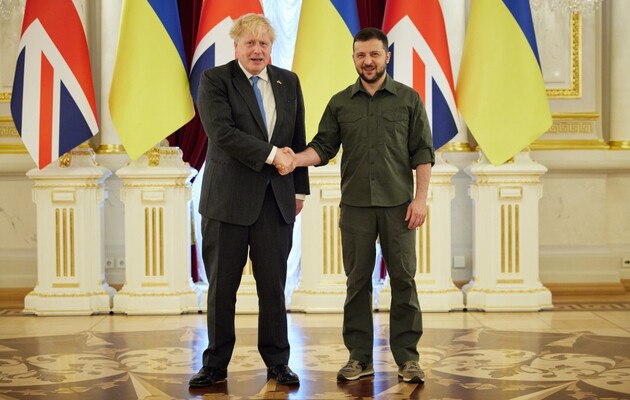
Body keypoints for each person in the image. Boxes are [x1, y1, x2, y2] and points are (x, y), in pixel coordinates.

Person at [279, 27, 434, 384]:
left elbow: (422, 153)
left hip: (399, 207)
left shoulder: (408, 99)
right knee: (357, 283)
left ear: (387, 57)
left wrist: (421, 199)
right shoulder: (340, 103)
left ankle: (408, 359)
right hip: (356, 208)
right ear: (353, 58)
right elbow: (323, 147)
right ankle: (359, 358)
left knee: (404, 281)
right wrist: (294, 159)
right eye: (361, 55)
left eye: (374, 54)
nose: (368, 61)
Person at [189, 13, 309, 387]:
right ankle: (214, 365)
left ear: (271, 48)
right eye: (250, 43)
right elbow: (222, 133)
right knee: (222, 289)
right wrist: (273, 155)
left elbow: (298, 137)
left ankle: (278, 362)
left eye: (264, 43)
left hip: (276, 202)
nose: (257, 50)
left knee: (273, 287)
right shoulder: (215, 80)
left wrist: (299, 190)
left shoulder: (288, 81)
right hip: (226, 202)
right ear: (236, 46)